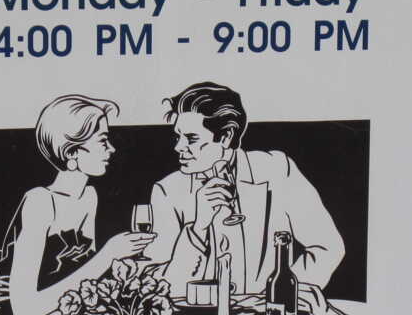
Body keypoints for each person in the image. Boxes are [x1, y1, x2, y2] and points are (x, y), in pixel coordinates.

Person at [147, 82, 344, 296]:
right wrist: (198, 228)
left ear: (226, 136)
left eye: (191, 139)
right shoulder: (167, 191)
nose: (178, 147)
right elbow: (160, 286)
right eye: (178, 136)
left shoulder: (277, 169)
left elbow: (327, 247)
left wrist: (279, 295)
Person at [0, 95, 155, 315]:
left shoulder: (89, 196)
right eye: (103, 141)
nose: (112, 148)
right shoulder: (40, 202)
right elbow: (24, 311)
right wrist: (108, 255)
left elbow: (82, 279)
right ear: (71, 153)